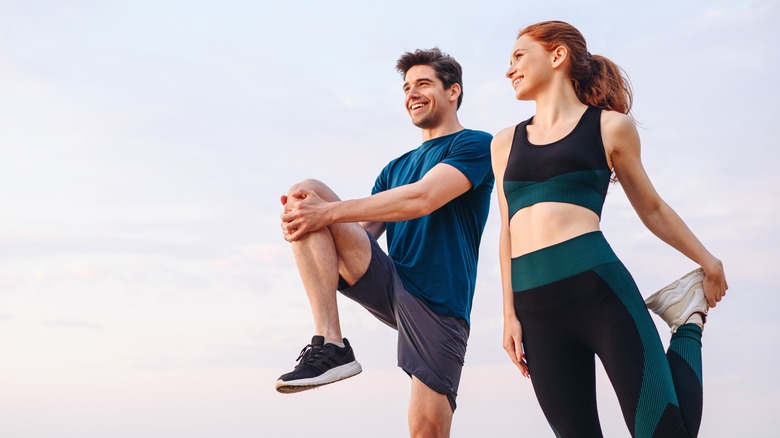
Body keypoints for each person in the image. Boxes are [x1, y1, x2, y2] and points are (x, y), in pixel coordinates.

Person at [491, 21, 728, 437]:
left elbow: (651, 208)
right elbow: (506, 229)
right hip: (534, 308)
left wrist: (706, 260)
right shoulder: (504, 143)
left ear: (557, 55)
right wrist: (509, 314)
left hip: (598, 292)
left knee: (665, 432)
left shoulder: (609, 127)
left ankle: (688, 321)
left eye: (518, 57)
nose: (509, 70)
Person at [276, 47, 494, 438]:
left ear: (453, 91)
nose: (412, 94)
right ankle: (331, 344)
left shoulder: (475, 145)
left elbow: (423, 198)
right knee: (305, 192)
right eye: (407, 87)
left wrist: (324, 215)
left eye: (423, 84)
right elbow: (362, 232)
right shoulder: (394, 168)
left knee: (425, 429)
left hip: (438, 300)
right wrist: (307, 224)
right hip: (390, 281)